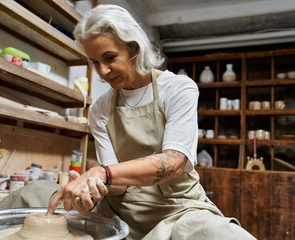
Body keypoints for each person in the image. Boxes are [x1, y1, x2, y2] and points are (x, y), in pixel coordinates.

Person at [45, 4, 257, 240]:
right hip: (123, 208)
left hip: (178, 208)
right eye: (95, 62)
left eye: (110, 58)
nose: (102, 71)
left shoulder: (178, 89)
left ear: (134, 48)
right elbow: (118, 185)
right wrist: (93, 186)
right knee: (36, 195)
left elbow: (174, 162)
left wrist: (101, 172)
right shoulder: (100, 109)